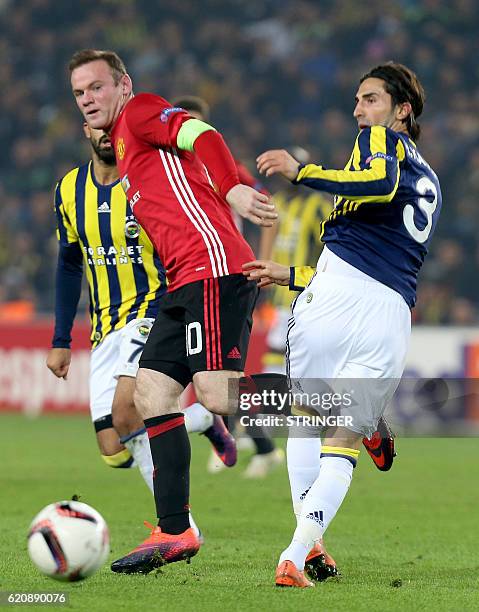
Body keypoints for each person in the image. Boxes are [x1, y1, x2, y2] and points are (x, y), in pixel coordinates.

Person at [69, 49, 277, 574]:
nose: (88, 99)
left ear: (123, 85)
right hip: (180, 283)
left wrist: (230, 186)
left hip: (212, 267)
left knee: (215, 395)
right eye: (78, 92)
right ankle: (176, 529)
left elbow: (201, 134)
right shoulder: (121, 144)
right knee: (151, 394)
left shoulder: (140, 113)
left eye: (96, 87)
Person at [245, 62, 441, 587]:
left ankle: (306, 550)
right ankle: (299, 552)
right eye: (357, 100)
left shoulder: (380, 146)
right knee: (343, 437)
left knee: (307, 419)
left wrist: (301, 172)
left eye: (371, 99)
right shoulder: (430, 182)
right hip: (389, 313)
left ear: (402, 111)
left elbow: (374, 186)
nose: (359, 110)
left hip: (333, 303)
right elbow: (375, 256)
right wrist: (291, 274)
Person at [46, 123, 238, 537]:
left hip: (153, 308)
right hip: (104, 327)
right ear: (84, 130)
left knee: (127, 411)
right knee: (114, 448)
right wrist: (61, 339)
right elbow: (67, 263)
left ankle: (180, 528)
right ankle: (200, 419)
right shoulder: (67, 189)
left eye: (109, 127)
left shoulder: (144, 183)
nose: (104, 134)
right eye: (95, 127)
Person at [171, 94, 285, 478]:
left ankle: (253, 439)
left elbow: (266, 205)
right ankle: (251, 439)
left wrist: (264, 260)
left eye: (196, 125)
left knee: (218, 376)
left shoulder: (225, 167)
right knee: (203, 373)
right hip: (187, 276)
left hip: (223, 275)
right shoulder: (166, 168)